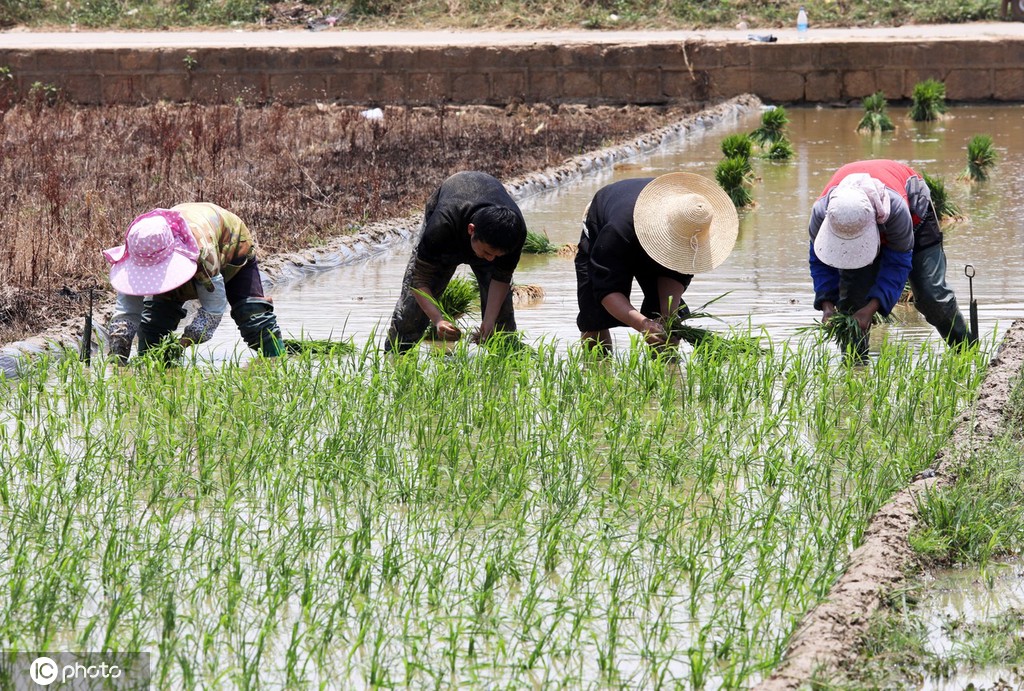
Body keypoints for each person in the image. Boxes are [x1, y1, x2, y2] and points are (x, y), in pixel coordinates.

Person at [808, 159, 974, 355]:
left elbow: (897, 264)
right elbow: (820, 260)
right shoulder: (822, 213)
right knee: (851, 305)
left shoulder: (897, 210)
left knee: (932, 295)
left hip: (914, 215)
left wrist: (870, 309)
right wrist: (827, 304)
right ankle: (855, 372)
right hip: (859, 219)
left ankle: (967, 353)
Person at [574, 172, 739, 350]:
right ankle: (599, 369)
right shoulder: (617, 232)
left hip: (660, 229)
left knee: (669, 322)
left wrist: (667, 317)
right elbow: (606, 291)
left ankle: (668, 371)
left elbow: (674, 277)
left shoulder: (691, 233)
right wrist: (642, 324)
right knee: (593, 317)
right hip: (609, 226)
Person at [103, 203, 284, 362]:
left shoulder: (204, 254)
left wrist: (180, 344)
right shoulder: (139, 248)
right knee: (153, 327)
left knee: (253, 317)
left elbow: (213, 309)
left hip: (228, 244)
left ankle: (277, 360)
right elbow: (127, 310)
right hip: (185, 247)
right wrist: (117, 354)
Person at [384, 171, 527, 353]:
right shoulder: (441, 227)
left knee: (501, 326)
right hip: (451, 221)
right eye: (487, 252)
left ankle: (505, 370)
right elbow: (419, 280)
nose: (491, 260)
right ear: (471, 230)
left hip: (483, 212)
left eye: (496, 256)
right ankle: (396, 358)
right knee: (411, 314)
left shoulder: (513, 233)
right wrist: (438, 319)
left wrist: (489, 321)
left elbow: (501, 278)